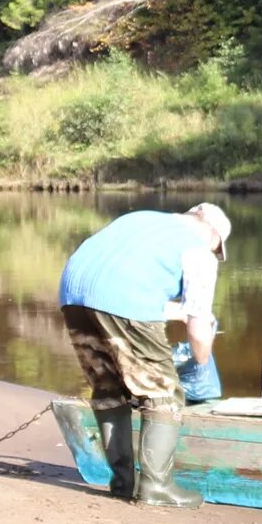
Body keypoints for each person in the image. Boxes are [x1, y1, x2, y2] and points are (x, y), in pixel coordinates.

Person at [57, 203, 231, 506]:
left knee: (108, 387)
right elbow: (199, 325)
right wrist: (201, 365)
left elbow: (117, 281)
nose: (216, 255)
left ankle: (122, 482)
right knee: (163, 391)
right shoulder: (198, 251)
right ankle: (157, 487)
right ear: (213, 233)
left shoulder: (141, 220)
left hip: (72, 295)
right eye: (218, 249)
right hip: (120, 298)